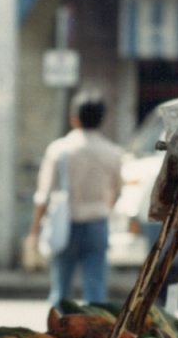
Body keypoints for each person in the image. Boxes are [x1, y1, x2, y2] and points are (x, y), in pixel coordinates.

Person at [30, 92, 123, 309]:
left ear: (74, 118)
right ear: (102, 119)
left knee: (60, 291)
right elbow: (117, 191)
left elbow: (43, 195)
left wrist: (34, 231)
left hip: (65, 225)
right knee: (96, 291)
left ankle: (57, 336)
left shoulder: (59, 150)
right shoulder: (113, 152)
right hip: (97, 224)